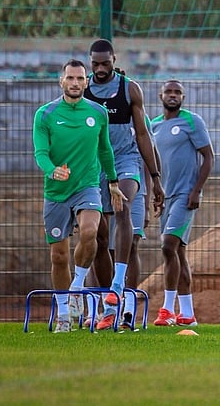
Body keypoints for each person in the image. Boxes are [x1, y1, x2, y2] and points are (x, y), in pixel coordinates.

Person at [31, 59, 123, 333]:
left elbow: (105, 150)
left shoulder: (98, 113)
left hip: (88, 186)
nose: (74, 83)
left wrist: (114, 182)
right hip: (57, 192)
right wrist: (51, 170)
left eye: (80, 78)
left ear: (87, 81)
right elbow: (40, 153)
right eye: (70, 78)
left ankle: (76, 287)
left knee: (90, 232)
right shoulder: (45, 114)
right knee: (59, 257)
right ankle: (63, 314)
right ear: (61, 81)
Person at [84, 39, 162, 330]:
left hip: (126, 161)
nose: (101, 69)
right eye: (96, 64)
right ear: (90, 63)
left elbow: (143, 136)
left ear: (114, 60)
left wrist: (155, 178)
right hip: (95, 166)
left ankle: (121, 290)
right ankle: (104, 306)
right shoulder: (84, 91)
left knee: (124, 207)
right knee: (98, 240)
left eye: (106, 63)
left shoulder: (130, 89)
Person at [150, 79, 215, 328]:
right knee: (177, 253)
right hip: (165, 198)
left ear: (183, 97)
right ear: (160, 95)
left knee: (168, 246)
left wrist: (197, 190)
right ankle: (187, 314)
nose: (173, 95)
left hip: (185, 195)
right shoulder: (153, 125)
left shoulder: (192, 121)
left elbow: (208, 157)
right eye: (169, 91)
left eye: (178, 92)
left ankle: (167, 309)